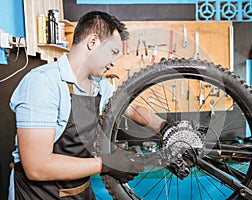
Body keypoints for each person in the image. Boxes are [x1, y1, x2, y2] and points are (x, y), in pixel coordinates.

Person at [8, 11, 166, 199]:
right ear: (93, 42)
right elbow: (37, 166)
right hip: (39, 194)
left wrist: (165, 127)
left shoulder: (99, 86)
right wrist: (105, 164)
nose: (114, 63)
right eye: (113, 52)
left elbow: (131, 110)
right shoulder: (42, 83)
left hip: (80, 191)